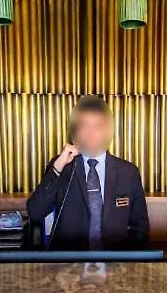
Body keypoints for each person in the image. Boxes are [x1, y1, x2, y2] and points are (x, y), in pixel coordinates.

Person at [27, 95, 150, 251]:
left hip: (113, 261)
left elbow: (140, 228)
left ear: (107, 131)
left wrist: (125, 261)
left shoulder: (128, 173)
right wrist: (57, 166)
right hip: (68, 262)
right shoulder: (62, 166)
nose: (90, 133)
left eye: (97, 126)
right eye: (84, 125)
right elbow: (35, 212)